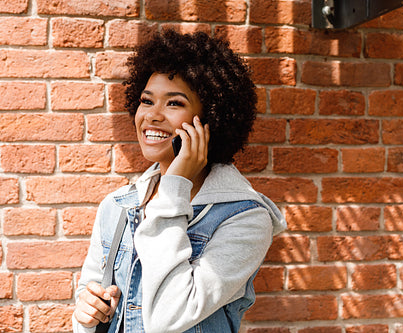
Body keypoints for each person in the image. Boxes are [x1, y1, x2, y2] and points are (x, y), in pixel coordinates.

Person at [72, 29, 287, 333]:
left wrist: (174, 187)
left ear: (211, 118)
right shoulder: (117, 207)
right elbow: (88, 305)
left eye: (174, 103)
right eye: (147, 101)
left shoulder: (247, 220)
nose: (152, 116)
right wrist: (86, 314)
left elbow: (168, 318)